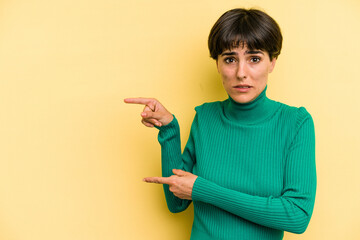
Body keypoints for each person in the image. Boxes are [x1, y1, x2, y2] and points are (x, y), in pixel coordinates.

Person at [124, 8, 316, 240]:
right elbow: (176, 203)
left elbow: (296, 216)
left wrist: (204, 190)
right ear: (217, 64)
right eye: (230, 59)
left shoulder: (295, 123)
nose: (241, 73)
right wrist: (169, 131)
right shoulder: (205, 117)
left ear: (272, 62)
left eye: (254, 59)